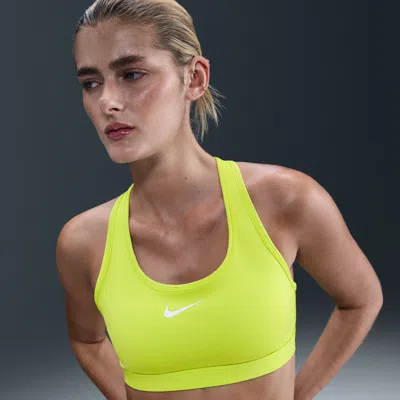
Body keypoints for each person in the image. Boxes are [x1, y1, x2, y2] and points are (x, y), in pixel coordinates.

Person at [56, 1, 383, 399]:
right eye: (91, 83)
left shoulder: (285, 200)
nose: (108, 101)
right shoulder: (84, 243)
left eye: (132, 74)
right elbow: (87, 341)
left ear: (194, 79)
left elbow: (361, 299)